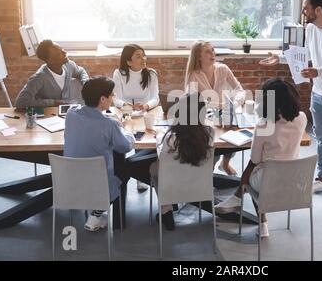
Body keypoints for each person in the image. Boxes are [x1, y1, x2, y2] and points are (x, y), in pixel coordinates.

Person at [259, 0, 322, 205]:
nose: (303, 11)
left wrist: (318, 72)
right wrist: (280, 58)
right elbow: (305, 56)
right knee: (321, 138)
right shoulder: (311, 28)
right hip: (318, 94)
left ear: (318, 9)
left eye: (306, 8)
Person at [214, 78, 307, 237]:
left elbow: (255, 159)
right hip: (294, 180)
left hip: (267, 182)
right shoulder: (302, 118)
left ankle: (256, 215)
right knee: (260, 166)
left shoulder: (263, 125)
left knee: (253, 167)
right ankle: (237, 197)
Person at [64, 76, 135, 231]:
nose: (113, 97)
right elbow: (126, 146)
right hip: (99, 186)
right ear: (103, 99)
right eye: (112, 95)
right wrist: (126, 127)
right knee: (127, 167)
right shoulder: (108, 124)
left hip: (69, 183)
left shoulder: (70, 114)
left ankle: (96, 214)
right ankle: (98, 213)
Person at [150, 92, 214, 231]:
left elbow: (161, 155)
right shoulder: (209, 133)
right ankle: (168, 207)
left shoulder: (170, 137)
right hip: (199, 185)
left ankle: (166, 208)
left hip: (172, 186)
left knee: (154, 169)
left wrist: (159, 135)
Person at [185, 40, 244, 176]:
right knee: (212, 143)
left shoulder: (223, 69)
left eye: (213, 50)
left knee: (234, 132)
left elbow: (239, 89)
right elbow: (191, 103)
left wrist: (235, 102)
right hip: (205, 117)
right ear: (198, 56)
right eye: (207, 51)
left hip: (225, 114)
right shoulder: (193, 75)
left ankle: (225, 164)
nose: (213, 53)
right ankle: (208, 171)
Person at [113, 44, 159, 192]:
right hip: (125, 112)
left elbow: (155, 98)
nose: (143, 58)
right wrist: (125, 105)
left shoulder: (151, 74)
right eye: (138, 56)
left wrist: (145, 106)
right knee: (123, 139)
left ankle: (140, 176)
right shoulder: (119, 74)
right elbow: (115, 99)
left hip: (145, 112)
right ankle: (121, 176)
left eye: (143, 55)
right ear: (128, 61)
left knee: (143, 139)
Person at [15, 40, 89, 108]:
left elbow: (81, 71)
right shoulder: (39, 77)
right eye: (59, 53)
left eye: (62, 49)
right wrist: (53, 102)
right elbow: (20, 102)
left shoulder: (69, 65)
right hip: (48, 117)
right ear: (50, 61)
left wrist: (86, 83)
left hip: (65, 113)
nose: (65, 53)